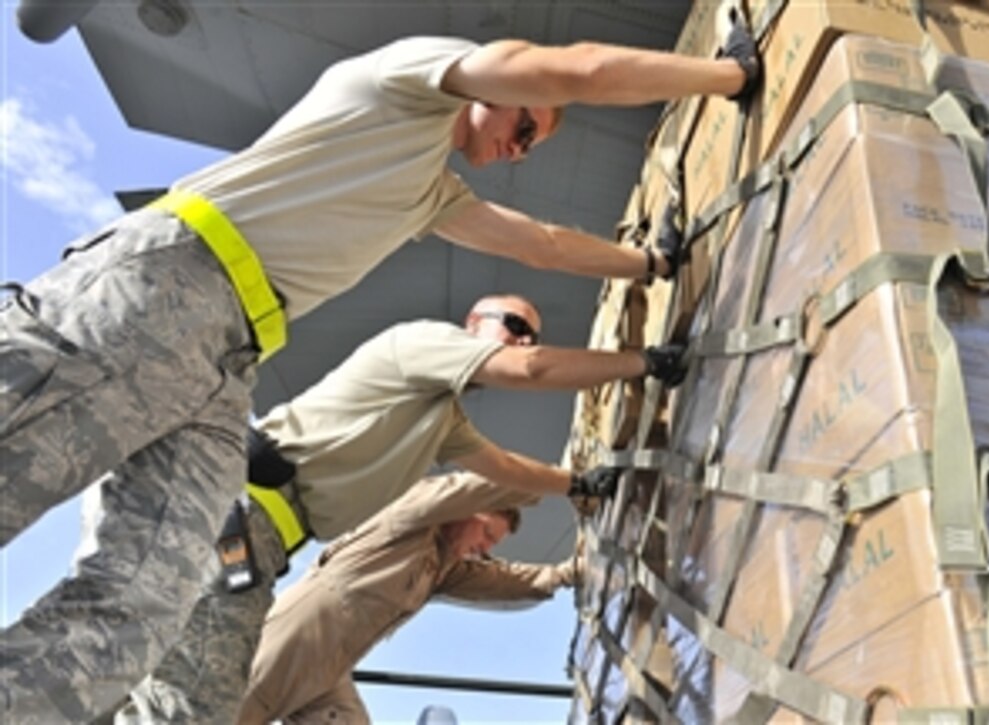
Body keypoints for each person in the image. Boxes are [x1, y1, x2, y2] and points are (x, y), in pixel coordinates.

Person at [0, 25, 759, 721]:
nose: (523, 148)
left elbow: (546, 248)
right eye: (526, 124)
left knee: (147, 620)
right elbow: (581, 70)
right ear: (505, 84)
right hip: (170, 280)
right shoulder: (408, 82)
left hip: (230, 368)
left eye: (535, 143)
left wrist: (653, 265)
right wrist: (728, 76)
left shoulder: (429, 198)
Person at [237, 471, 581, 724]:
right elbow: (466, 488)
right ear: (467, 509)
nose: (485, 548)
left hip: (332, 667)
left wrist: (567, 574)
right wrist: (562, 482)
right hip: (302, 636)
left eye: (494, 543)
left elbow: (502, 578)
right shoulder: (409, 521)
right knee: (229, 711)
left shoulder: (444, 565)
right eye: (487, 533)